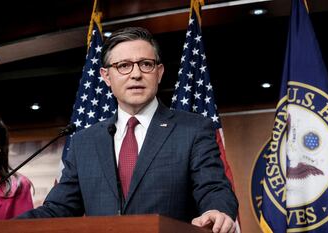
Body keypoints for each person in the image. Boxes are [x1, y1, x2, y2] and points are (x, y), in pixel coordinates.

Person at [18, 27, 238, 233]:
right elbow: (59, 208)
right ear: (106, 76)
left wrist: (215, 210)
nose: (135, 74)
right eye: (123, 66)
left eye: (145, 64)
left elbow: (214, 187)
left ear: (159, 72)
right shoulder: (85, 141)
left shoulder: (193, 129)